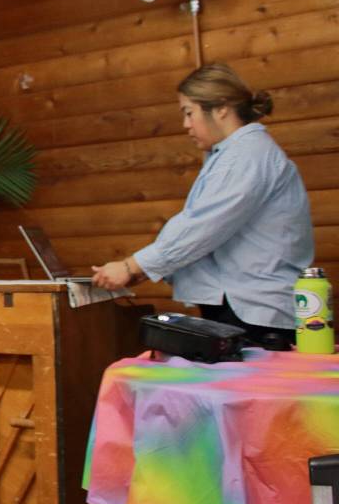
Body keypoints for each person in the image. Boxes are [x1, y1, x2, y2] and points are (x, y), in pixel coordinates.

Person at [92, 63, 314, 348]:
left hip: (253, 314)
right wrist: (141, 271)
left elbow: (202, 228)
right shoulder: (235, 154)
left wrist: (131, 265)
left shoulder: (245, 155)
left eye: (189, 112)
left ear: (221, 108)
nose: (186, 125)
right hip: (244, 309)